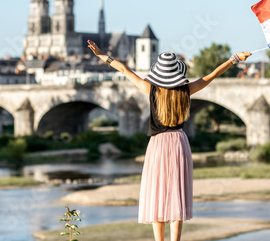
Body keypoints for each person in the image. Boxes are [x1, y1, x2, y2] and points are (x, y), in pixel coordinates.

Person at [87, 40, 251, 241]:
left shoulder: (151, 90)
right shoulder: (186, 91)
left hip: (157, 144)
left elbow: (124, 69)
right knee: (176, 194)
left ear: (158, 73)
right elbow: (211, 75)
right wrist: (234, 59)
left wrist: (102, 55)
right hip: (179, 143)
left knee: (157, 192)